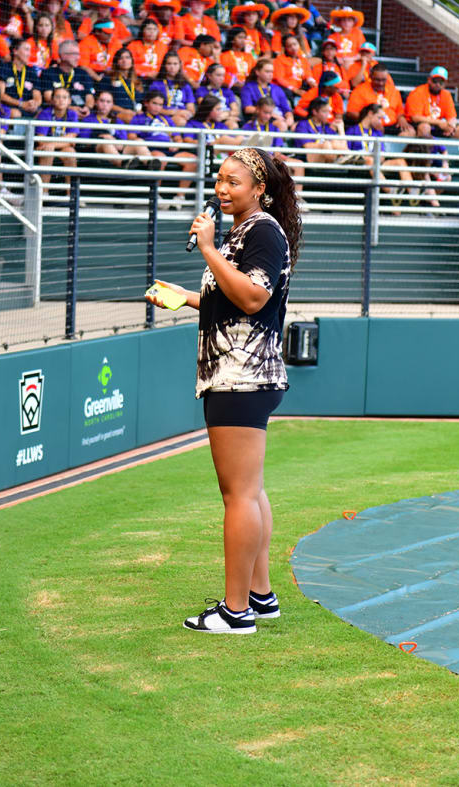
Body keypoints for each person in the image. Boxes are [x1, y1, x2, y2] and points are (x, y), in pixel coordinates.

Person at [146, 146, 301, 633]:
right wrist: (187, 298)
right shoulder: (244, 232)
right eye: (218, 180)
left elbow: (255, 297)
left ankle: (235, 613)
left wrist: (209, 249)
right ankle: (260, 595)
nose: (221, 189)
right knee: (249, 492)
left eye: (233, 182)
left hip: (242, 375)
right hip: (238, 372)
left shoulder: (262, 232)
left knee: (238, 496)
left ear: (260, 190)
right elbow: (234, 299)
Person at [346, 62, 414, 138]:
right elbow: (351, 113)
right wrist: (369, 120)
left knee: (410, 132)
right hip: (370, 126)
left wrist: (401, 118)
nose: (381, 83)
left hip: (391, 125)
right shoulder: (359, 90)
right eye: (377, 80)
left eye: (383, 80)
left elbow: (399, 111)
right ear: (370, 77)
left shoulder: (393, 91)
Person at [404, 66, 459, 140]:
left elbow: (452, 117)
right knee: (425, 127)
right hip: (419, 126)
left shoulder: (446, 95)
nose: (438, 84)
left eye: (441, 82)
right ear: (429, 80)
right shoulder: (418, 92)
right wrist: (439, 122)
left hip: (439, 127)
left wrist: (451, 126)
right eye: (435, 81)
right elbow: (415, 118)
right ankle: (425, 150)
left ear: (445, 83)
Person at [34, 85, 79, 188]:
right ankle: (43, 193)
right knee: (47, 151)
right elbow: (41, 141)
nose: (61, 100)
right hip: (47, 148)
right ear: (52, 100)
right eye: (57, 97)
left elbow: (71, 138)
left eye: (65, 97)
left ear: (70, 101)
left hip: (61, 148)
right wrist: (53, 145)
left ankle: (71, 195)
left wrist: (53, 144)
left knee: (70, 152)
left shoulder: (72, 114)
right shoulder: (44, 114)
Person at [40, 39, 95, 117]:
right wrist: (70, 109)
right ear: (63, 55)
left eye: (78, 54)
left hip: (82, 115)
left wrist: (87, 108)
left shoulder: (83, 73)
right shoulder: (49, 73)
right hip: (57, 115)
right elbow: (48, 98)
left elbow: (90, 98)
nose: (78, 57)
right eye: (75, 54)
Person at [0, 36, 42, 117]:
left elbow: (37, 95)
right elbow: (0, 95)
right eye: (26, 50)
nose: (29, 54)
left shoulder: (31, 71)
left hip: (27, 107)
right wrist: (21, 104)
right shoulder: (3, 68)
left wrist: (35, 104)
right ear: (15, 51)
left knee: (43, 114)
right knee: (16, 114)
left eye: (29, 50)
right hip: (8, 107)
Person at [240, 57, 293, 129]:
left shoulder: (277, 89)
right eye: (267, 72)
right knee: (281, 125)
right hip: (261, 118)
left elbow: (286, 109)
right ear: (257, 72)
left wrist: (289, 117)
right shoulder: (248, 88)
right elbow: (247, 108)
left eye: (272, 72)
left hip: (279, 118)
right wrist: (270, 114)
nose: (271, 75)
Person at [148, 51, 196, 126]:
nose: (172, 67)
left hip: (183, 117)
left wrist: (187, 114)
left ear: (180, 65)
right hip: (161, 117)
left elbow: (191, 109)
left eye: (175, 64)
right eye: (169, 64)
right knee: (181, 121)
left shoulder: (185, 85)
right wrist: (174, 112)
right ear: (164, 66)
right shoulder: (156, 84)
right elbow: (153, 108)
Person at [294, 96, 342, 164]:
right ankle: (341, 160)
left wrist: (341, 128)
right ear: (314, 112)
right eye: (324, 111)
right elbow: (307, 146)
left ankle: (343, 159)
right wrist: (325, 145)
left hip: (325, 160)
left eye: (328, 112)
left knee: (334, 143)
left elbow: (341, 146)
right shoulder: (303, 125)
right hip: (308, 159)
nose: (328, 115)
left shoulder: (326, 127)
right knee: (328, 144)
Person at [100, 46, 138, 122]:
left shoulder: (138, 81)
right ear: (116, 62)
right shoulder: (108, 79)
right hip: (114, 114)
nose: (125, 61)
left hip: (134, 114)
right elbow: (102, 101)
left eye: (127, 57)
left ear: (132, 61)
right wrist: (124, 111)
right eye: (121, 58)